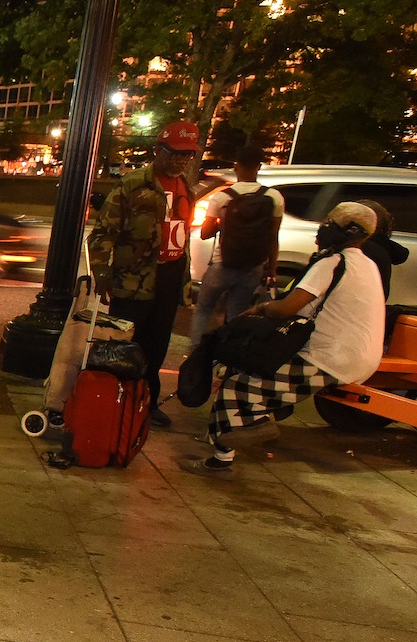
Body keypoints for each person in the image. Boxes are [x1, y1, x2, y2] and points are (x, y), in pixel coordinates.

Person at [181, 202, 385, 477]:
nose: (322, 228)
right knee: (253, 377)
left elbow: (286, 308)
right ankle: (247, 427)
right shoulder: (367, 264)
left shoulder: (333, 262)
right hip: (359, 356)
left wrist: (260, 309)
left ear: (347, 231)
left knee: (236, 386)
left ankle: (233, 448)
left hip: (330, 356)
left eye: (329, 223)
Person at [90, 120, 199, 428]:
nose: (180, 160)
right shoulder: (133, 184)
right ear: (159, 151)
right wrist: (101, 272)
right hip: (133, 279)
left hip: (169, 276)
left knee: (158, 343)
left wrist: (185, 281)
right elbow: (103, 233)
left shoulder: (187, 189)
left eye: (187, 155)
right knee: (125, 344)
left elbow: (183, 236)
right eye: (175, 153)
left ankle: (146, 402)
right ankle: (116, 400)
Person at [189, 146, 281, 345]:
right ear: (259, 166)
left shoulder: (222, 197)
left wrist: (223, 223)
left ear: (236, 167)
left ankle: (196, 353)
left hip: (222, 264)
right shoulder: (274, 197)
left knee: (204, 309)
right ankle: (226, 358)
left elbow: (205, 234)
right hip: (253, 267)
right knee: (236, 314)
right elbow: (273, 237)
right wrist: (271, 267)